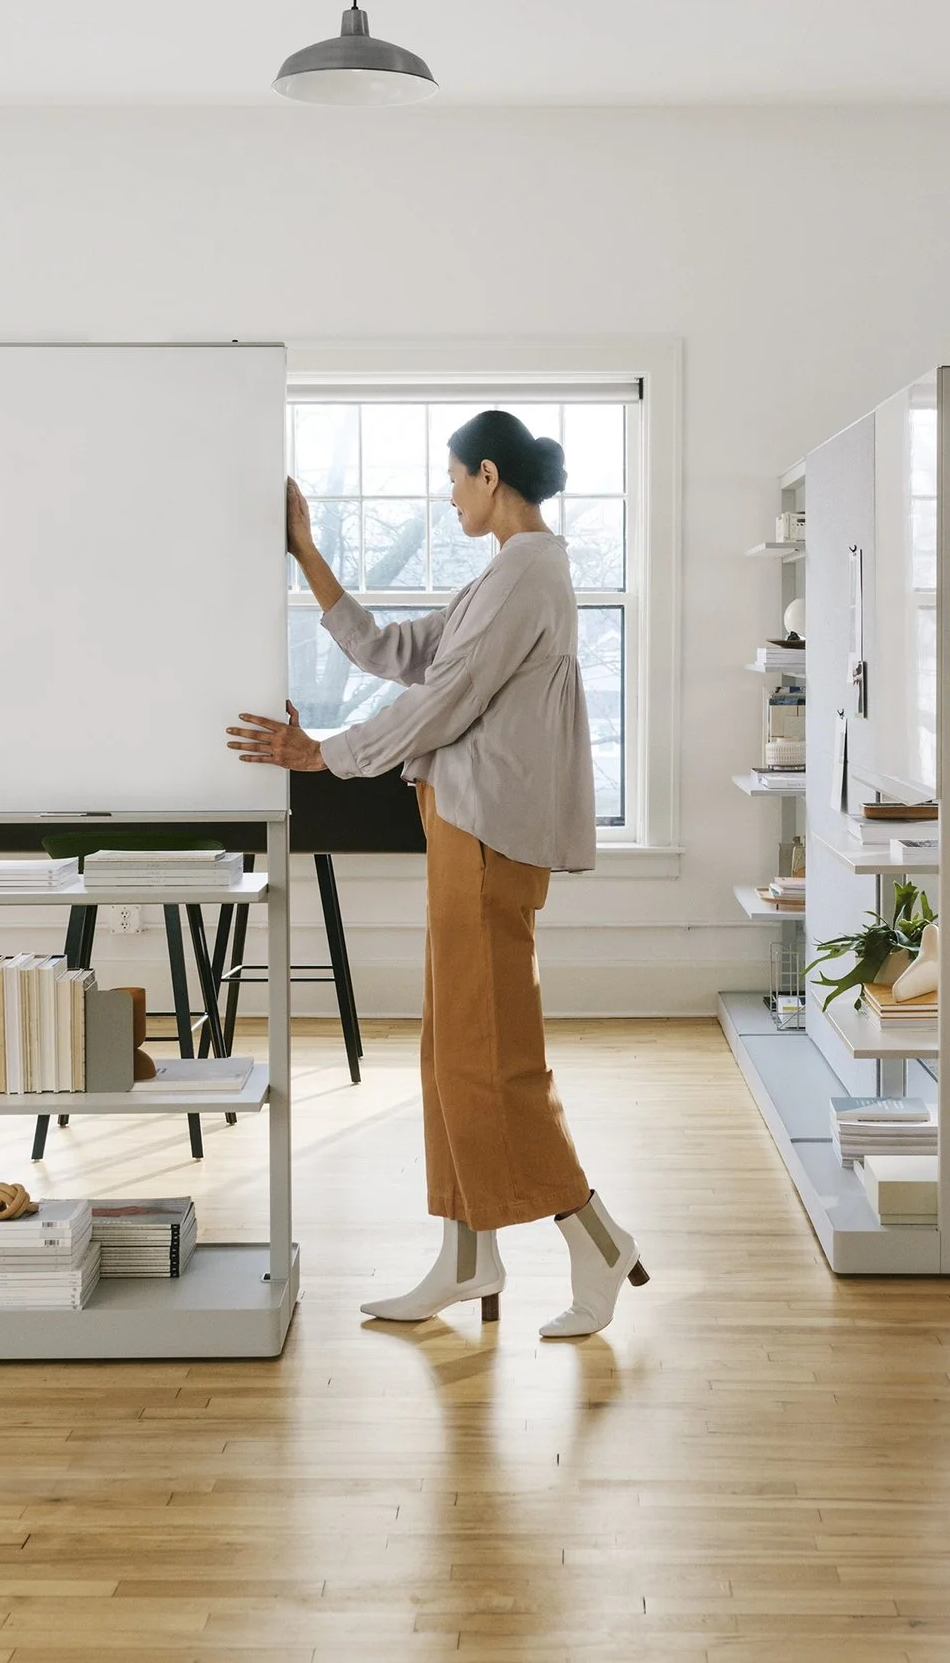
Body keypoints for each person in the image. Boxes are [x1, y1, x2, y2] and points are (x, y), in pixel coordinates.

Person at [226, 411, 649, 1339]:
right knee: (452, 1052)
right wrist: (305, 551)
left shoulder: (528, 574)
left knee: (493, 1060)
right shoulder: (503, 576)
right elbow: (390, 652)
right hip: (465, 829)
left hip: (488, 836)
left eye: (454, 480)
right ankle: (467, 1257)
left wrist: (325, 753)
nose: (449, 495)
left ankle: (598, 1239)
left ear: (490, 475)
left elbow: (445, 697)